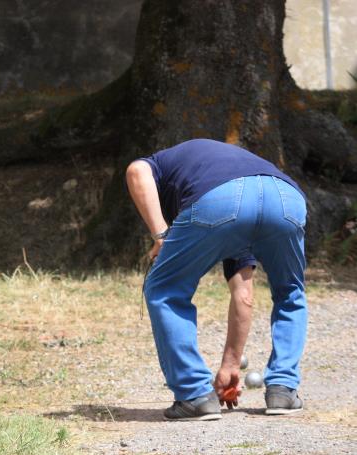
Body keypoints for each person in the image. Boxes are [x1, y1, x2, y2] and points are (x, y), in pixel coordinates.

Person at [126, 139, 307, 421]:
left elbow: (136, 171)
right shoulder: (213, 167)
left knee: (164, 288)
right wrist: (230, 365)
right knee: (290, 291)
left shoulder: (161, 165)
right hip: (286, 197)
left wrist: (161, 234)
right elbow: (243, 295)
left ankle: (193, 394)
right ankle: (283, 390)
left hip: (219, 199)